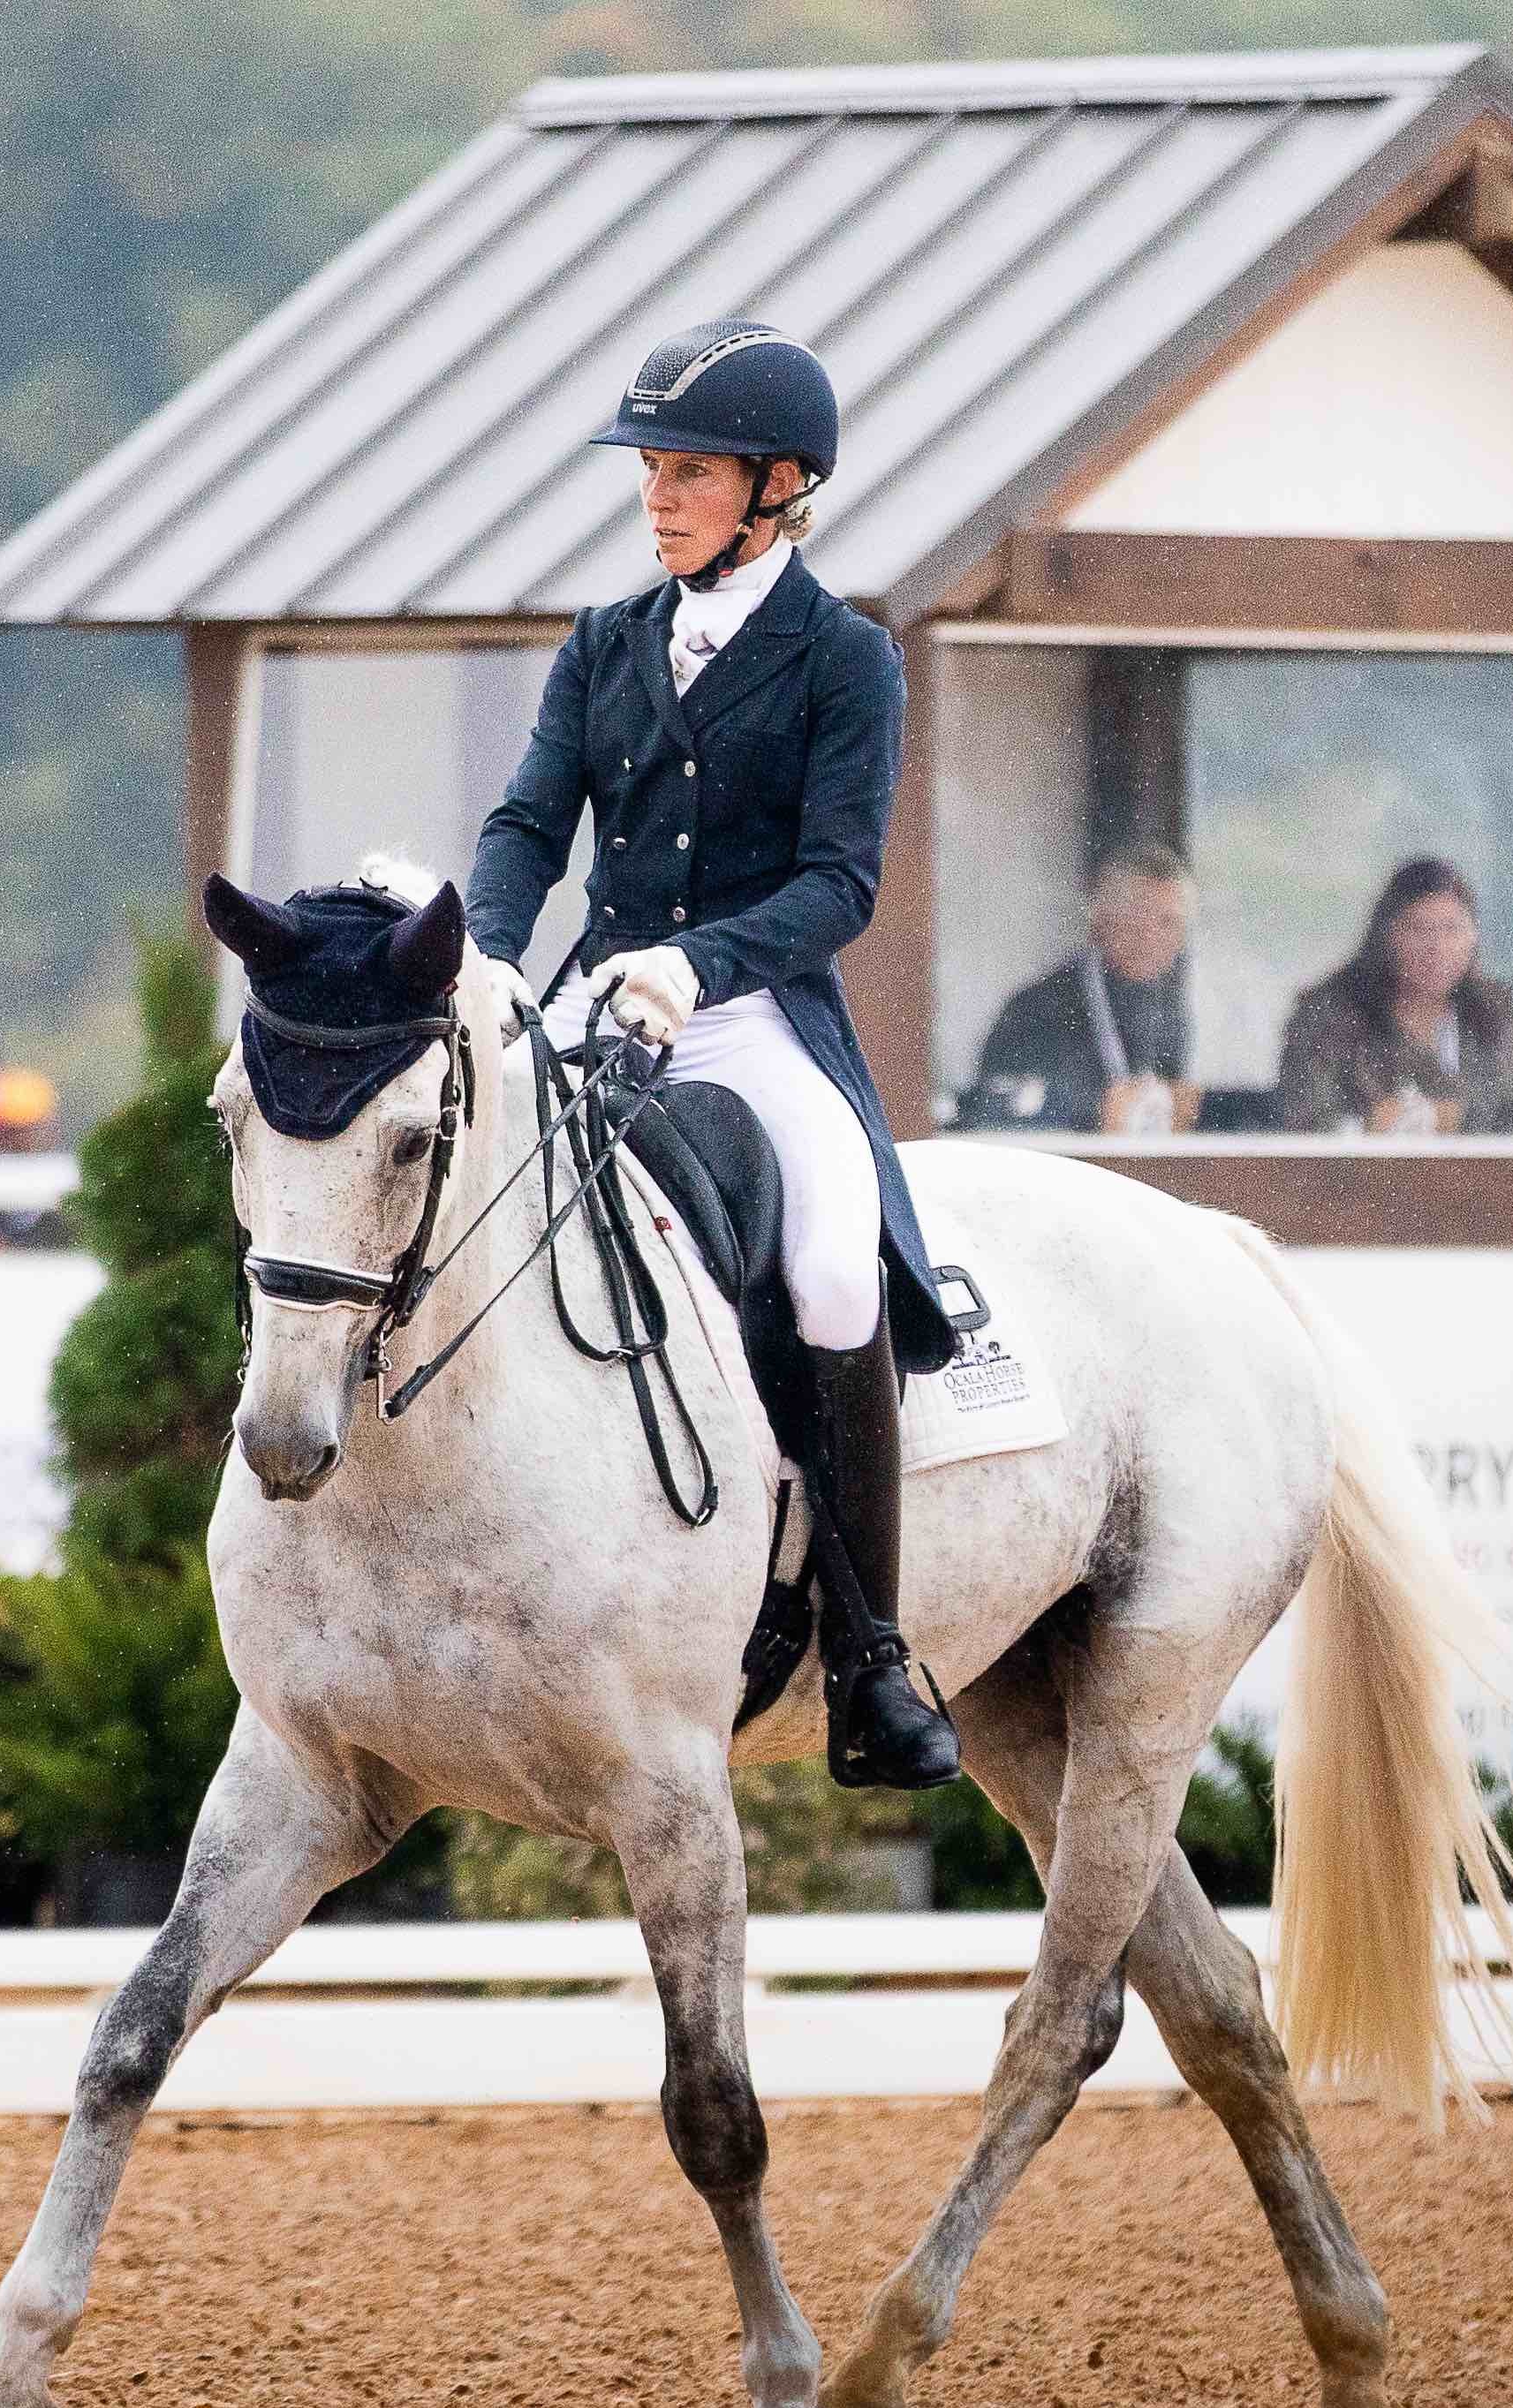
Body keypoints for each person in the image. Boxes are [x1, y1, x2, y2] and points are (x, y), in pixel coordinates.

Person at [465, 317, 959, 1791]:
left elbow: (838, 884)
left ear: (779, 485)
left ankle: (870, 1653)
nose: (659, 496)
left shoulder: (844, 660)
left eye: (689, 472)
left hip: (750, 1013)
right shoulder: (606, 643)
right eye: (653, 471)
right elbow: (525, 827)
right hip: (593, 994)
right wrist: (490, 959)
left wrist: (699, 960)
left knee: (823, 1252)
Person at [1275, 857, 1513, 1136]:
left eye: (1452, 928)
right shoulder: (1327, 1013)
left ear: (1473, 937)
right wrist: (1368, 1127)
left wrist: (1454, 1119)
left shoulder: (1497, 1011)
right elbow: (1302, 1124)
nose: (1437, 947)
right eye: (1420, 929)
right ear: (1386, 936)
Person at [960, 847, 1192, 1136]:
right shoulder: (1040, 1007)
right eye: (1137, 917)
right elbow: (989, 1106)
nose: (1152, 936)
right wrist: (1094, 1110)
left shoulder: (1168, 1007)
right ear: (1101, 922)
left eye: (1168, 922)